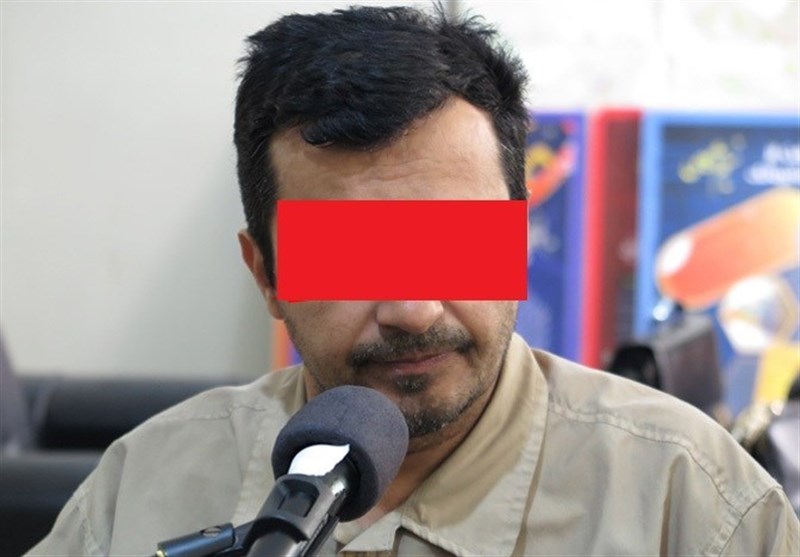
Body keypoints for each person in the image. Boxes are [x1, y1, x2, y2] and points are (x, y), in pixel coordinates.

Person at [27, 5, 799, 556]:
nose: (413, 307)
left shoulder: (695, 506)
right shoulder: (140, 490)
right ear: (267, 274)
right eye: (351, 257)